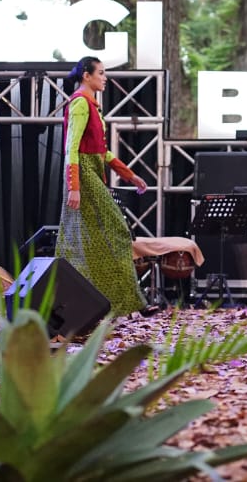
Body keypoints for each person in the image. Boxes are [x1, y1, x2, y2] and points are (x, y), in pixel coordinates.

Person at [57, 56, 152, 317]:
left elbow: (102, 151)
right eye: (100, 73)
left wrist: (130, 175)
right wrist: (74, 186)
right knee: (115, 232)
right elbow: (71, 148)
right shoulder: (80, 103)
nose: (105, 77)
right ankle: (126, 302)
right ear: (86, 76)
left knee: (94, 240)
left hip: (92, 172)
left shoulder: (92, 105)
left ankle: (109, 305)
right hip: (83, 174)